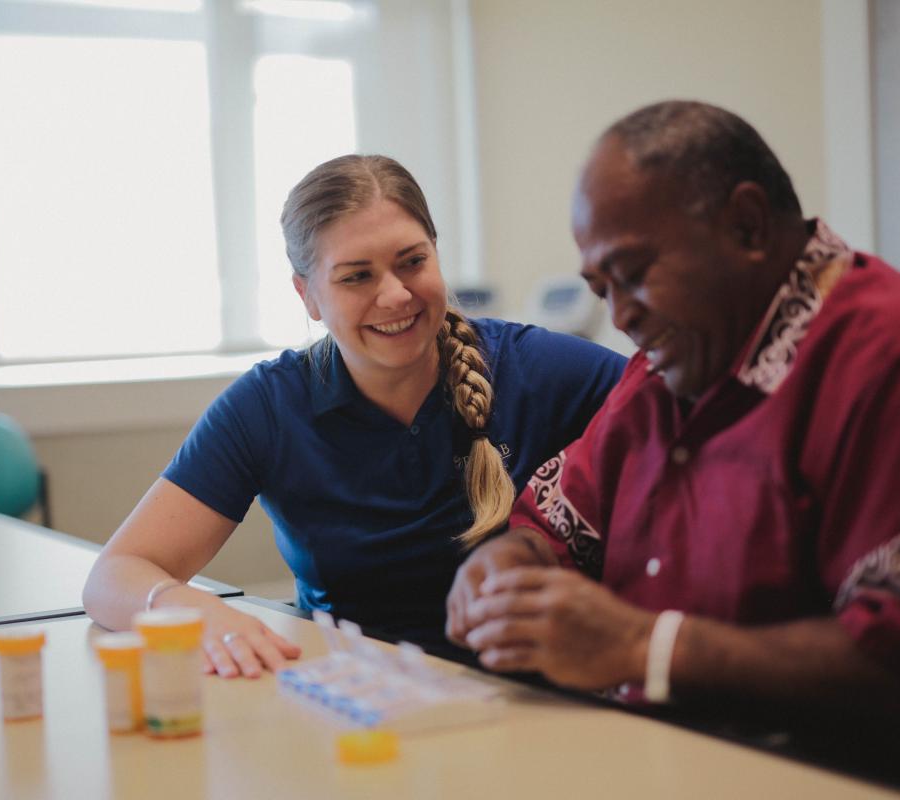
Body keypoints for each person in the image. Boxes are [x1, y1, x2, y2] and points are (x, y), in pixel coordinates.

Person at [447, 101, 900, 751]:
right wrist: (508, 561)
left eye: (632, 274)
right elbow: (556, 526)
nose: (622, 315)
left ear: (746, 227)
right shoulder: (667, 367)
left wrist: (646, 646)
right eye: (602, 288)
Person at [84, 154, 628, 679]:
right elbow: (114, 575)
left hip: (528, 707)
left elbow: (690, 420)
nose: (394, 295)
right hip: (355, 706)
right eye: (356, 277)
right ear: (308, 295)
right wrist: (191, 608)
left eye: (412, 262)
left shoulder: (538, 369)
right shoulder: (270, 406)